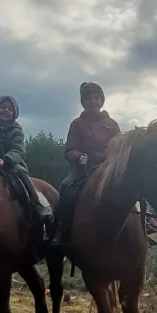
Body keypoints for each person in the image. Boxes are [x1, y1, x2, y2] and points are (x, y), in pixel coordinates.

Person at [53, 82, 122, 247]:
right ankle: (63, 229)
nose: (93, 101)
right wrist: (78, 157)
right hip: (83, 169)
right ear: (83, 102)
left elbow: (119, 147)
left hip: (109, 168)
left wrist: (105, 157)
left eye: (96, 98)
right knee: (66, 186)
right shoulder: (76, 124)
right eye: (89, 98)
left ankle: (146, 223)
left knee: (132, 184)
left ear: (102, 100)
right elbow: (69, 150)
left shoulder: (112, 124)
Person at [0, 95, 53, 235]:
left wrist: (6, 160)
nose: (5, 110)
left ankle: (37, 204)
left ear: (14, 113)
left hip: (9, 165)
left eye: (10, 109)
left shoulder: (16, 130)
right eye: (3, 107)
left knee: (21, 175)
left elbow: (19, 149)